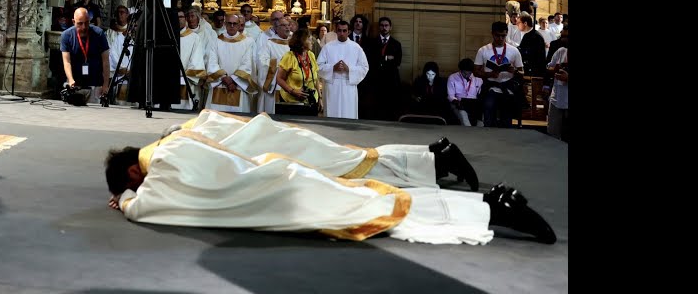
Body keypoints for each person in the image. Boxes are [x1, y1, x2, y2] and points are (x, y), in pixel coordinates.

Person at [104, 109, 556, 245]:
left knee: (374, 202)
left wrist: (125, 201)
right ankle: (455, 178)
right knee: (366, 179)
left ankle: (488, 207)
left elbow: (146, 207)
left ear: (132, 171)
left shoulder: (161, 169)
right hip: (284, 168)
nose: (139, 188)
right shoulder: (180, 137)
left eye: (132, 183)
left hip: (283, 190)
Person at [127, 0, 182, 111]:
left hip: (169, 22)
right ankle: (143, 98)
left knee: (168, 60)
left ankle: (166, 100)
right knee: (145, 57)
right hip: (150, 19)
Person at [315, 18, 369, 119]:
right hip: (332, 87)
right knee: (332, 114)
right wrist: (332, 68)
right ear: (336, 31)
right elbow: (318, 66)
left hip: (348, 86)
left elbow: (364, 67)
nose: (342, 33)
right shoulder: (328, 47)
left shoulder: (356, 48)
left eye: (344, 31)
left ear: (349, 32)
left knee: (348, 114)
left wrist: (349, 69)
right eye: (339, 30)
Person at [474, 21, 524, 127]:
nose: (501, 38)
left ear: (506, 34)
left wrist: (514, 71)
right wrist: (489, 74)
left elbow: (522, 72)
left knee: (506, 119)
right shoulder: (483, 50)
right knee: (488, 115)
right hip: (491, 87)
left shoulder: (514, 51)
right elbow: (476, 71)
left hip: (508, 87)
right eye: (498, 36)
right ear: (492, 34)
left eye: (503, 36)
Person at [206, 13, 258, 113]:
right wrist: (224, 78)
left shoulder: (248, 42)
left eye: (235, 24)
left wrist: (233, 80)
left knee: (238, 118)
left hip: (238, 84)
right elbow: (212, 62)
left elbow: (247, 63)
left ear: (239, 25)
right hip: (220, 83)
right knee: (216, 117)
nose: (232, 26)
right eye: (229, 23)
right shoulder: (216, 41)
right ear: (225, 24)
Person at [60, 7, 110, 104]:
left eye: (86, 23)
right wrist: (70, 79)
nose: (83, 27)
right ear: (73, 22)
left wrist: (105, 84)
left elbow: (106, 61)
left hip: (95, 84)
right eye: (80, 23)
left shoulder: (99, 34)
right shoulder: (66, 35)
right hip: (75, 84)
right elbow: (67, 62)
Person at [367, 16, 405, 120]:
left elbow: (397, 62)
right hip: (376, 80)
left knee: (390, 109)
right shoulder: (372, 42)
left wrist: (379, 59)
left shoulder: (396, 44)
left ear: (390, 27)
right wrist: (387, 58)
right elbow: (370, 60)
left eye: (386, 25)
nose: (384, 28)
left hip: (391, 81)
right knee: (376, 110)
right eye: (382, 25)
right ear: (379, 27)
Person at [274, 29, 321, 114]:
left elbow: (316, 78)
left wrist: (320, 98)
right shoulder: (289, 57)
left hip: (311, 101)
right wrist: (292, 91)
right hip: (291, 103)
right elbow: (279, 79)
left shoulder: (311, 55)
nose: (312, 42)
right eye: (309, 39)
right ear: (302, 41)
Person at [546, 26, 568, 142]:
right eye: (562, 36)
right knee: (552, 134)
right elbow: (549, 67)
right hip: (557, 98)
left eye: (566, 37)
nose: (563, 39)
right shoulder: (561, 51)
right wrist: (555, 70)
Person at [447, 57, 484, 126]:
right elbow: (450, 96)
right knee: (463, 115)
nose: (466, 75)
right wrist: (456, 102)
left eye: (469, 73)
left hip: (473, 105)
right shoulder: (452, 77)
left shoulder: (478, 79)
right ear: (460, 70)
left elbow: (480, 95)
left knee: (481, 122)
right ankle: (469, 131)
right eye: (464, 73)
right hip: (458, 104)